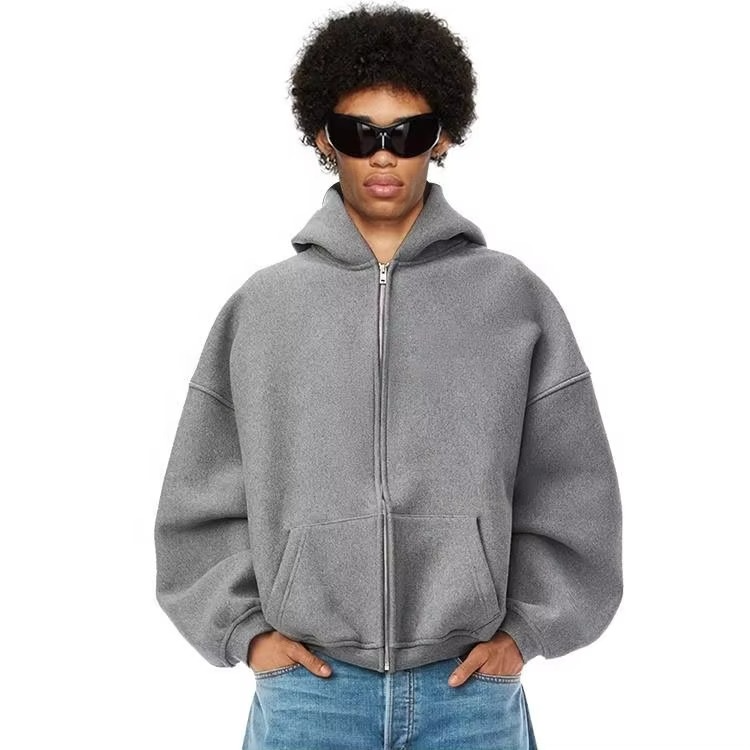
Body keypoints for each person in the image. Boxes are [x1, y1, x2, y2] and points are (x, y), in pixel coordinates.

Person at [154, 4, 623, 749]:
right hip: (309, 695)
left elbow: (573, 489)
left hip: (468, 693)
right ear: (323, 138)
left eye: (405, 134)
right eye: (357, 133)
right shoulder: (263, 308)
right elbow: (200, 499)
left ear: (441, 138)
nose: (382, 156)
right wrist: (247, 634)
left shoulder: (512, 300)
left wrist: (525, 633)